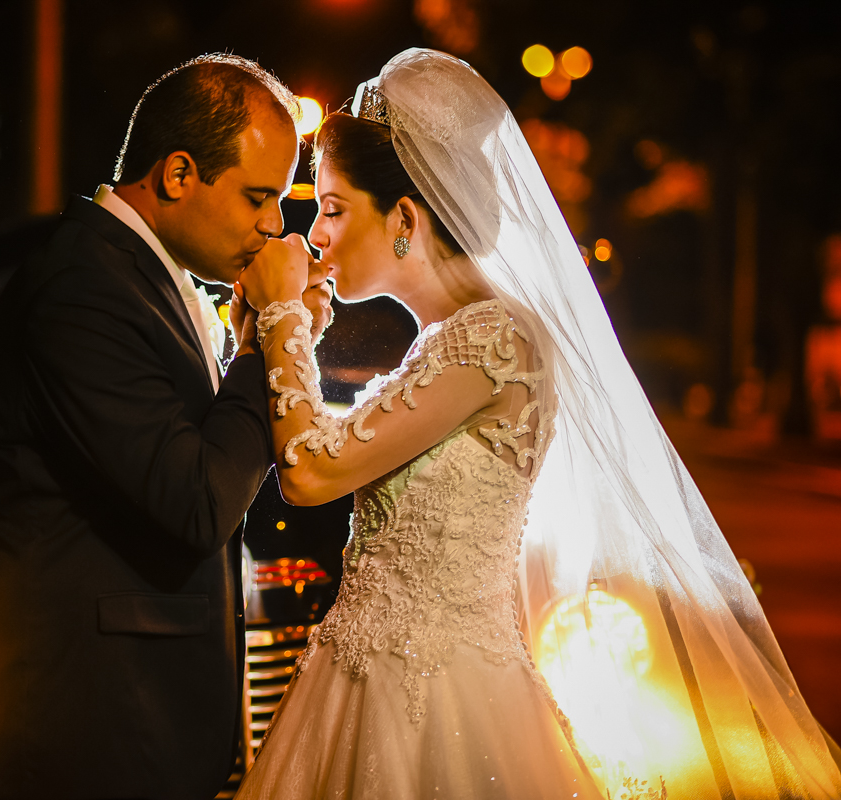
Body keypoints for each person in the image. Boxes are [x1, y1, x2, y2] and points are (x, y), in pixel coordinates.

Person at [234, 49, 841, 799]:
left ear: (404, 219)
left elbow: (314, 470)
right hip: (367, 676)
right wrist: (289, 338)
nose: (315, 236)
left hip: (441, 700)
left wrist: (281, 317)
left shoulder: (495, 338)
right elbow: (345, 446)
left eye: (332, 208)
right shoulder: (447, 340)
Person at [0, 54, 331, 800]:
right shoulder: (82, 289)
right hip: (84, 734)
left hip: (137, 725)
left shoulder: (140, 277)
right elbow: (193, 503)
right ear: (178, 174)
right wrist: (268, 342)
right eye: (258, 196)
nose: (275, 225)